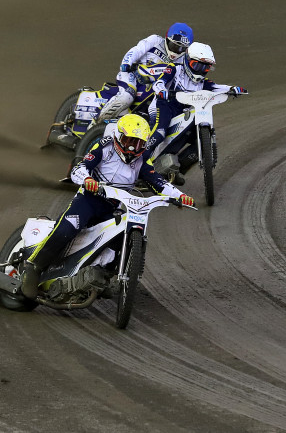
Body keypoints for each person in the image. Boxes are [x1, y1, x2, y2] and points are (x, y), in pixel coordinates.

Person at [20, 114, 194, 300]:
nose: (133, 148)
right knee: (67, 229)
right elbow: (80, 168)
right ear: (119, 136)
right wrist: (87, 179)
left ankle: (104, 276)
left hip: (111, 208)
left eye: (138, 143)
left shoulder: (143, 158)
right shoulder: (104, 146)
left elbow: (157, 181)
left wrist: (180, 196)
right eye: (129, 141)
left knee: (121, 236)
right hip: (88, 200)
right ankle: (33, 268)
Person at [144, 42, 247, 179]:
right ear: (187, 60)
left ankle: (175, 170)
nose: (200, 71)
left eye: (205, 67)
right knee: (160, 132)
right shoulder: (174, 68)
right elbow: (159, 82)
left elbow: (218, 87)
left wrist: (233, 89)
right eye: (197, 65)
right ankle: (139, 162)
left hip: (185, 112)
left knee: (202, 143)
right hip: (164, 105)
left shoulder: (204, 82)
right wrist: (162, 91)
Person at [94, 22, 195, 123]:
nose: (176, 51)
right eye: (174, 46)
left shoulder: (183, 60)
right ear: (167, 39)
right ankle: (96, 122)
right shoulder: (155, 40)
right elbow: (137, 50)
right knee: (127, 96)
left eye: (181, 48)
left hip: (156, 86)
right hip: (133, 75)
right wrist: (126, 63)